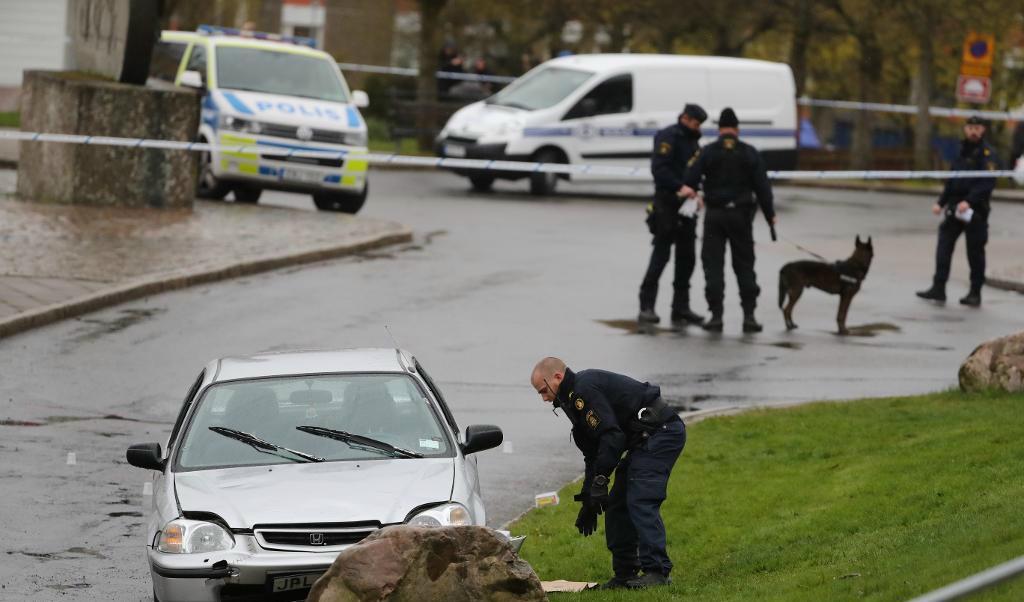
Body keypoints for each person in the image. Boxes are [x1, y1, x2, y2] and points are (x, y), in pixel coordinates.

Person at [530, 357, 686, 590]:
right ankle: (625, 575)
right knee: (617, 503)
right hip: (644, 439)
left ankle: (657, 572)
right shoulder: (571, 398)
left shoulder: (583, 390)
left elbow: (612, 437)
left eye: (543, 390)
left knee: (641, 498)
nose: (544, 398)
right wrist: (588, 498)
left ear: (557, 377)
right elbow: (593, 452)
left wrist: (601, 480)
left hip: (661, 433)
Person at [681, 107, 776, 333]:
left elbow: (690, 180)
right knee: (744, 264)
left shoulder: (708, 151)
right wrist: (770, 215)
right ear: (737, 129)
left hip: (715, 216)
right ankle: (749, 316)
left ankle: (716, 317)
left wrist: (696, 193)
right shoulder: (750, 152)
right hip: (741, 217)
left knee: (713, 265)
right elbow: (763, 188)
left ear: (720, 129)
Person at [916, 116, 1000, 307]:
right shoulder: (961, 150)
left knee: (975, 252)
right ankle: (938, 288)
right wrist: (941, 202)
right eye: (970, 127)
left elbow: (987, 182)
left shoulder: (988, 154)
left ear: (983, 130)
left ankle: (975, 292)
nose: (973, 131)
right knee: (944, 246)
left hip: (976, 210)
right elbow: (952, 179)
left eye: (977, 128)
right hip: (955, 209)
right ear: (965, 129)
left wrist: (969, 201)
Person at [638, 104, 708, 328]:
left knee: (686, 259)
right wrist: (680, 186)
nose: (698, 128)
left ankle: (681, 308)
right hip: (667, 204)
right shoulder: (668, 136)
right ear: (685, 118)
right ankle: (646, 306)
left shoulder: (693, 139)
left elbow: (694, 171)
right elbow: (659, 169)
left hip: (687, 207)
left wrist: (697, 193)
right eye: (696, 123)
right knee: (661, 256)